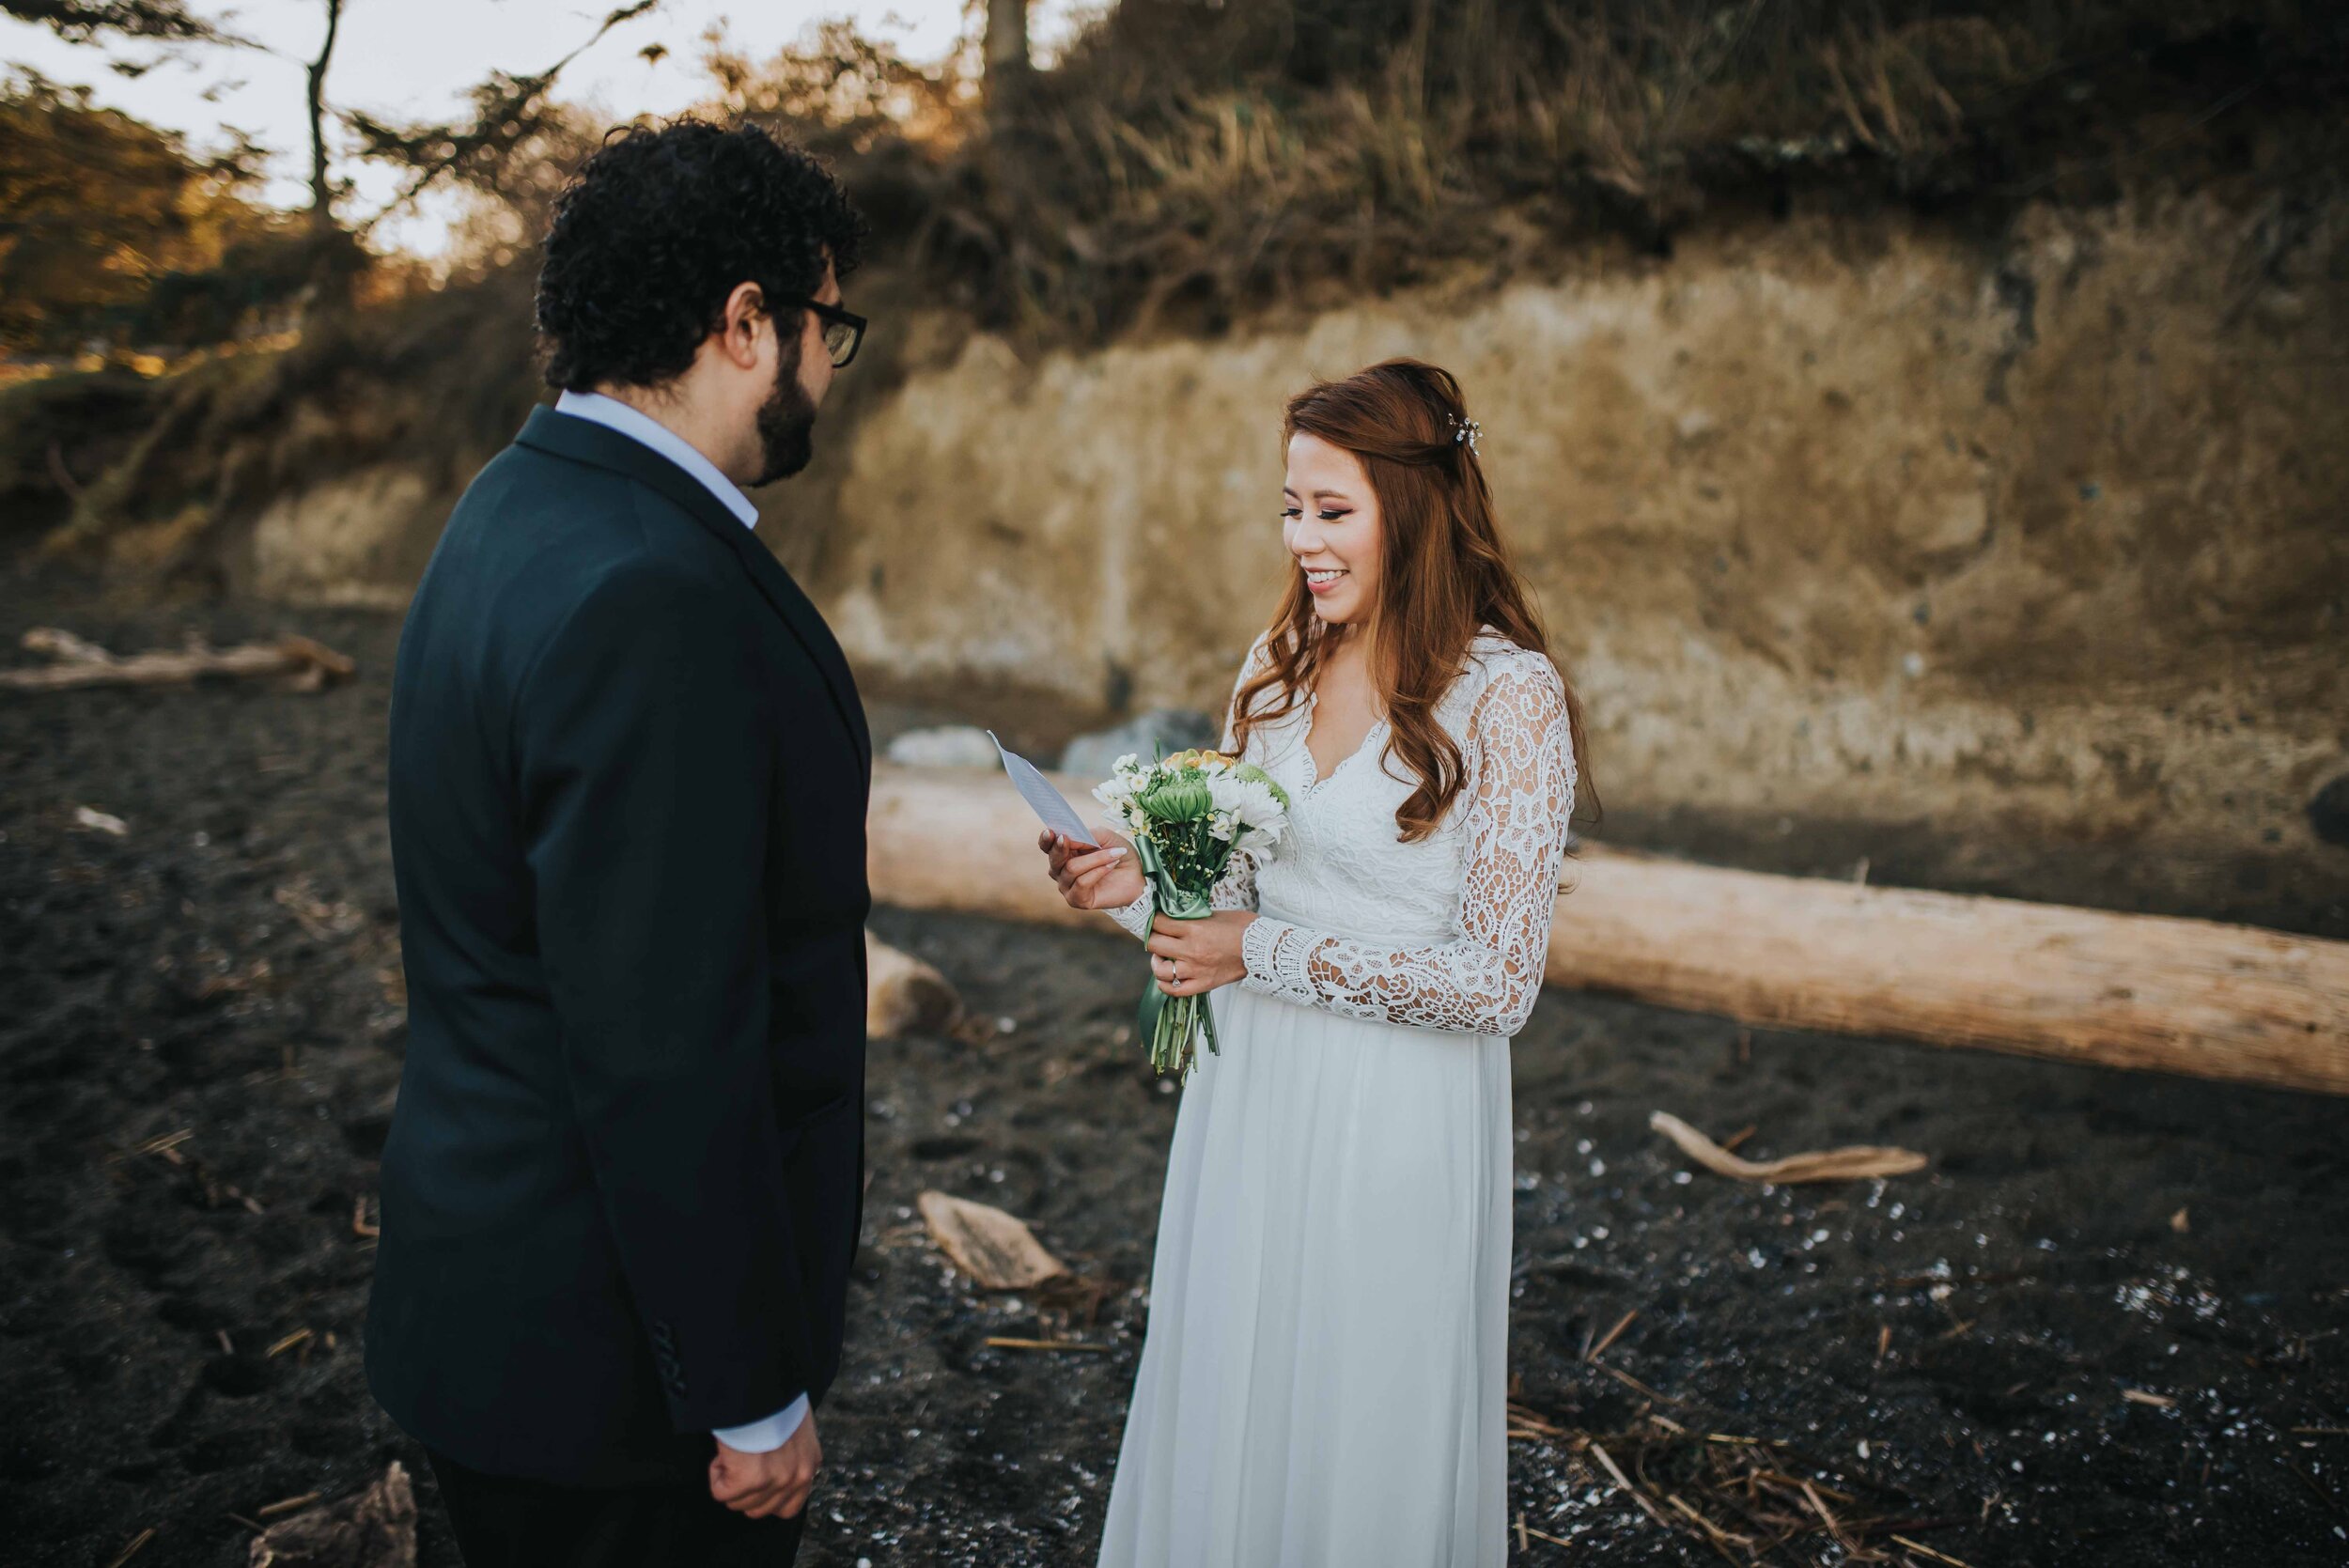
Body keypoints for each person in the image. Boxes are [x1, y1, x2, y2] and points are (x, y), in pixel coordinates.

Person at [367, 119, 872, 1567]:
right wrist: (747, 1388)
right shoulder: (657, 591)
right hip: (610, 1382)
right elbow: (664, 1038)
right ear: (743, 323)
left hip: (489, 1300)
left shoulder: (512, 507)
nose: (832, 365)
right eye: (827, 325)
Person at [1042, 359, 1592, 1567]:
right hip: (1253, 1097)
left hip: (1399, 1114)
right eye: (1291, 509)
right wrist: (1137, 892)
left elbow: (1498, 982)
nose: (1302, 540)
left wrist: (1257, 947)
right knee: (1237, 1383)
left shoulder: (1512, 698)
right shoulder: (1275, 667)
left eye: (1332, 511)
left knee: (1362, 1406)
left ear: (1419, 507)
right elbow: (1231, 916)